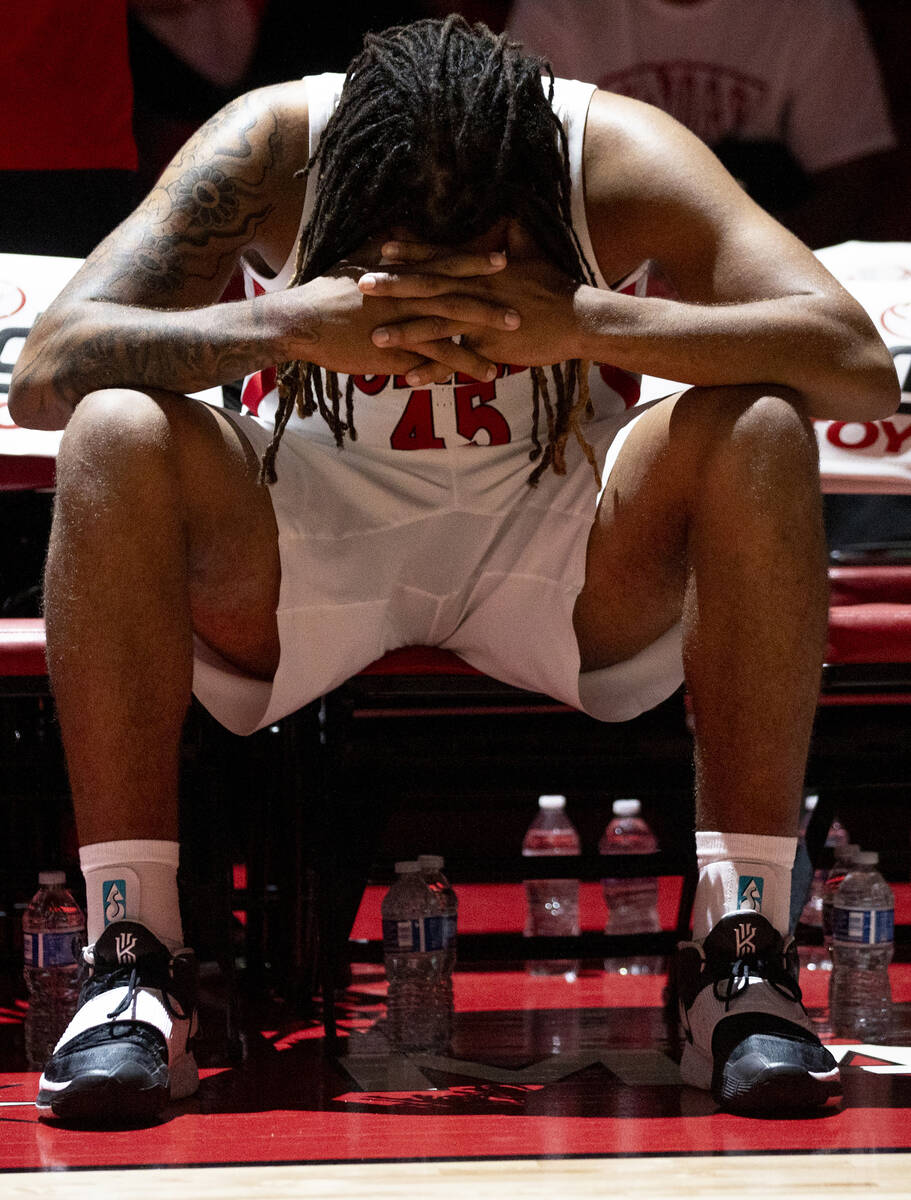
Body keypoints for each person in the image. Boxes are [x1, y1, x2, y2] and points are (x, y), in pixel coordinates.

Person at [9, 16, 898, 1123]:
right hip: (305, 542)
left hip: (558, 544)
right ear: (333, 183)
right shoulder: (265, 143)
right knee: (112, 431)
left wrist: (586, 318)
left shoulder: (616, 151)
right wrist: (285, 324)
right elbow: (45, 375)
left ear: (542, 178)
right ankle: (132, 960)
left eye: (477, 249)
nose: (432, 277)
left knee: (759, 425)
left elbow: (856, 366)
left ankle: (737, 952)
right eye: (394, 252)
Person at [507, 0, 898, 249]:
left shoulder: (812, 13)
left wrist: (751, 260)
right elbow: (523, 177)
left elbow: (855, 178)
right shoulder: (558, 11)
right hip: (609, 249)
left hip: (770, 238)